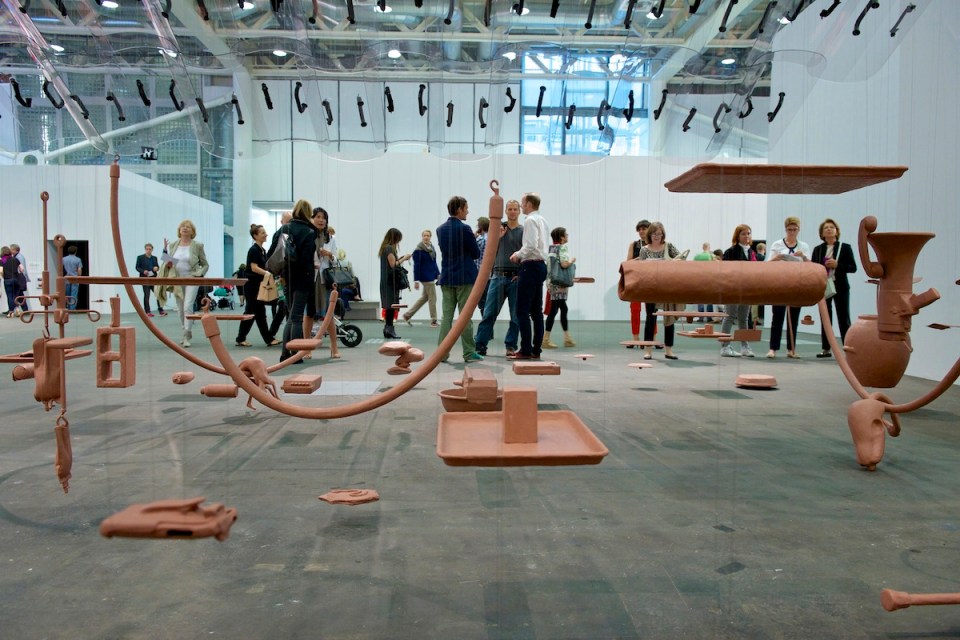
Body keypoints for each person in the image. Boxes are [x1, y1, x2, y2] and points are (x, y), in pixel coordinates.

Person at [474, 199, 524, 357]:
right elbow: (489, 251)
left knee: (515, 316)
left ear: (519, 211)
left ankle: (511, 345)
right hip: (498, 276)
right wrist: (498, 237)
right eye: (510, 209)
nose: (512, 211)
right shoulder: (498, 230)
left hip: (515, 277)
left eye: (515, 209)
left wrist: (521, 274)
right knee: (489, 313)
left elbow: (526, 253)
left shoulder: (523, 231)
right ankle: (480, 344)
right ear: (505, 211)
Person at [437, 196, 483, 363]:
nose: (467, 212)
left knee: (446, 317)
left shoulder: (440, 229)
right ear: (459, 210)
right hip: (465, 278)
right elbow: (476, 253)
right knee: (465, 317)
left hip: (447, 277)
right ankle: (469, 353)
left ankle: (441, 354)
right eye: (466, 208)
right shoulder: (465, 229)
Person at [509, 193, 550, 360]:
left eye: (522, 203)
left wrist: (517, 254)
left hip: (530, 265)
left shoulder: (530, 221)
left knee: (522, 310)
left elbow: (531, 245)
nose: (521, 206)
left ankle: (525, 349)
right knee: (536, 311)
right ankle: (536, 349)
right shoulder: (543, 220)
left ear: (529, 204)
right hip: (541, 266)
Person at [278, 200, 320, 362]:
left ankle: (285, 353)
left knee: (290, 316)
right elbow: (306, 257)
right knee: (296, 318)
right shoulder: (309, 231)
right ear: (308, 213)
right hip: (303, 278)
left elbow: (275, 252)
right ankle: (295, 355)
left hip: (286, 277)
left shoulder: (284, 228)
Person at [811, 218, 858, 358]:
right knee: (825, 318)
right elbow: (813, 268)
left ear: (837, 231)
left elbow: (853, 268)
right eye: (826, 228)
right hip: (824, 286)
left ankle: (847, 348)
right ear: (822, 233)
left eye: (832, 227)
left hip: (841, 287)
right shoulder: (818, 249)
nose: (829, 229)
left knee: (844, 318)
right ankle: (826, 349)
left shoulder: (845, 247)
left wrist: (838, 265)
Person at [158, 220, 209, 348]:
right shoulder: (173, 245)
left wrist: (199, 274)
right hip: (177, 278)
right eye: (182, 227)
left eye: (188, 227)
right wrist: (167, 259)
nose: (185, 228)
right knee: (180, 308)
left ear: (192, 231)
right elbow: (169, 261)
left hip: (192, 278)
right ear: (179, 230)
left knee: (187, 306)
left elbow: (205, 264)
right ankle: (184, 329)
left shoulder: (197, 245)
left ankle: (187, 335)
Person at [766, 216, 811, 359]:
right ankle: (773, 348)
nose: (792, 232)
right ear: (785, 229)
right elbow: (767, 264)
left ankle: (791, 349)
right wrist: (778, 258)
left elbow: (810, 266)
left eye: (794, 229)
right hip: (779, 283)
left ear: (799, 230)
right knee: (777, 317)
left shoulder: (803, 246)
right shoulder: (777, 244)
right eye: (789, 229)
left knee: (794, 317)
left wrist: (803, 257)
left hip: (796, 283)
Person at [635, 222, 680, 361]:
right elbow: (640, 270)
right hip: (650, 287)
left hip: (667, 286)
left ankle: (669, 350)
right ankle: (648, 350)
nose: (657, 236)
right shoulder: (644, 250)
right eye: (654, 234)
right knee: (650, 318)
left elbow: (681, 259)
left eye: (659, 234)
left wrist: (672, 263)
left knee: (669, 318)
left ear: (663, 234)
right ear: (650, 235)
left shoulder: (669, 246)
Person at [235, 224, 281, 348]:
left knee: (250, 312)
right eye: (262, 233)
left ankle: (241, 338)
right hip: (252, 286)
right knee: (259, 313)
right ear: (255, 236)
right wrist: (267, 273)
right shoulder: (253, 250)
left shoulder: (262, 250)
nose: (266, 235)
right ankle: (268, 339)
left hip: (258, 285)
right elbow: (253, 267)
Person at [718, 225, 760, 358]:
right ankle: (725, 346)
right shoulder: (730, 251)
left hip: (747, 289)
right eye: (743, 234)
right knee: (729, 316)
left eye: (748, 233)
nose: (747, 236)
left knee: (744, 318)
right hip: (733, 289)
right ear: (737, 236)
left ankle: (745, 346)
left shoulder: (752, 252)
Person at [543, 226, 577, 349]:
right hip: (560, 284)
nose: (567, 236)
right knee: (554, 310)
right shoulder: (562, 248)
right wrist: (572, 261)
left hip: (552, 283)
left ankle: (567, 338)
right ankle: (546, 339)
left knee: (562, 308)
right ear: (561, 237)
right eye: (566, 234)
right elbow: (564, 264)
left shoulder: (552, 248)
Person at [308, 207, 338, 344]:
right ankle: (307, 346)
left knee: (328, 313)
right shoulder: (308, 236)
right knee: (308, 314)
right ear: (312, 218)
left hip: (325, 279)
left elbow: (336, 260)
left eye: (323, 217)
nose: (321, 220)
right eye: (318, 217)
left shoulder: (330, 239)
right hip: (310, 278)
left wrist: (329, 255)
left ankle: (334, 346)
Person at [402, 229, 440, 327]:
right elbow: (416, 266)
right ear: (422, 237)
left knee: (425, 297)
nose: (426, 237)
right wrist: (416, 280)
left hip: (431, 275)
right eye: (424, 235)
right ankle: (434, 320)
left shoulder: (431, 248)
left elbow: (434, 262)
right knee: (433, 298)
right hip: (425, 277)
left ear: (430, 237)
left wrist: (438, 274)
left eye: (428, 235)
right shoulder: (418, 250)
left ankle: (407, 315)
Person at [378, 228, 409, 340]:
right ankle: (390, 329)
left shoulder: (384, 249)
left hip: (386, 281)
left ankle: (388, 329)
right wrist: (404, 259)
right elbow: (393, 265)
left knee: (389, 306)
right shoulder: (389, 249)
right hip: (390, 282)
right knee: (391, 306)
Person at [625, 220, 650, 345]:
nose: (641, 231)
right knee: (635, 310)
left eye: (644, 229)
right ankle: (635, 338)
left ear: (649, 229)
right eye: (639, 229)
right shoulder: (634, 245)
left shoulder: (654, 245)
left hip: (650, 281)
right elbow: (627, 262)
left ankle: (652, 338)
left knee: (651, 311)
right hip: (636, 281)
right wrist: (638, 259)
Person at [135, 243, 164, 317]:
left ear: (152, 250)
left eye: (150, 249)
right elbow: (137, 267)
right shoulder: (140, 257)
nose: (148, 250)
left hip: (153, 278)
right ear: (145, 249)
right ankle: (147, 311)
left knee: (158, 294)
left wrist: (157, 268)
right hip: (145, 279)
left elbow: (157, 266)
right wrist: (143, 271)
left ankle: (161, 310)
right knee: (147, 295)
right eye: (147, 249)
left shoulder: (154, 258)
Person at [693, 242, 714, 321]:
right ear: (709, 247)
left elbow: (693, 267)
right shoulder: (711, 256)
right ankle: (709, 316)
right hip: (709, 278)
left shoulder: (697, 256)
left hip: (699, 278)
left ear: (703, 247)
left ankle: (701, 316)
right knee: (709, 298)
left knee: (700, 297)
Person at [61, 245, 83, 310]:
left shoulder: (63, 259)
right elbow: (79, 270)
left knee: (67, 294)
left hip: (67, 278)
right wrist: (79, 276)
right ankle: (72, 308)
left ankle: (67, 307)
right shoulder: (78, 259)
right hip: (75, 278)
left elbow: (60, 268)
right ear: (75, 251)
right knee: (74, 294)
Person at [2, 246, 21, 317]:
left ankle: (11, 312)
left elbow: (0, 271)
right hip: (16, 280)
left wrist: (3, 276)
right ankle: (17, 309)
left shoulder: (3, 260)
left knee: (10, 296)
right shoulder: (15, 259)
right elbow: (22, 269)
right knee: (15, 296)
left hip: (7, 280)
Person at [10, 244, 29, 313]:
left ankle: (14, 309)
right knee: (20, 295)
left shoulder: (19, 257)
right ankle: (24, 310)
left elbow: (22, 269)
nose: (10, 251)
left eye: (11, 249)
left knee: (17, 294)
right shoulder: (16, 256)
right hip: (19, 278)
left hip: (19, 278)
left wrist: (20, 277)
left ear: (15, 250)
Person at [752, 242, 767, 328]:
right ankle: (754, 319)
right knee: (755, 302)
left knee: (752, 302)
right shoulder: (764, 258)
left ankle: (753, 318)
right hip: (760, 281)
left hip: (753, 280)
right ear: (764, 249)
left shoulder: (753, 257)